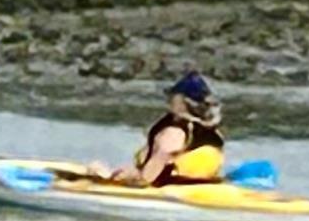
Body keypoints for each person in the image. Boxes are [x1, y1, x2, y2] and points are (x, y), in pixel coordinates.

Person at [92, 71, 226, 186]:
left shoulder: (174, 132)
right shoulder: (213, 131)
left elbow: (148, 177)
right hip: (203, 186)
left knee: (94, 168)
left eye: (174, 97)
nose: (169, 100)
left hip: (166, 186)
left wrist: (112, 177)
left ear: (183, 101)